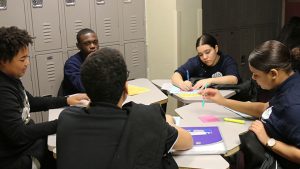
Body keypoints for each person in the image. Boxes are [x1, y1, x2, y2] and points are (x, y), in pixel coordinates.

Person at [56, 47, 193, 169]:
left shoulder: (67, 119)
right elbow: (187, 141)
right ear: (126, 89)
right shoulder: (146, 120)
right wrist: (167, 122)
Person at [200, 40, 300, 168]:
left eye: (256, 74)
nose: (253, 78)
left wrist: (268, 141)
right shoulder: (290, 82)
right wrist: (222, 101)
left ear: (273, 74)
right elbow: (264, 108)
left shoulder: (293, 106)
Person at [0, 26, 89, 169]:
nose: (27, 63)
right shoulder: (3, 90)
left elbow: (32, 102)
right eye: (22, 59)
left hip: (28, 146)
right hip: (16, 158)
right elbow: (18, 134)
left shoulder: (11, 78)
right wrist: (61, 122)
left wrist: (66, 100)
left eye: (27, 57)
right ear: (4, 60)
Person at [171, 33, 242, 91]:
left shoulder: (226, 60)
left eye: (207, 52)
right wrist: (181, 84)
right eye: (200, 54)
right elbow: (176, 75)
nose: (204, 57)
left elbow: (233, 79)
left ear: (216, 48)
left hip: (224, 101)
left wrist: (209, 81)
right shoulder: (195, 61)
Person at [62, 28, 99, 96]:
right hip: (78, 101)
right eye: (87, 43)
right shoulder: (71, 64)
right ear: (78, 46)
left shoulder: (102, 58)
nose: (93, 46)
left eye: (95, 42)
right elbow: (83, 87)